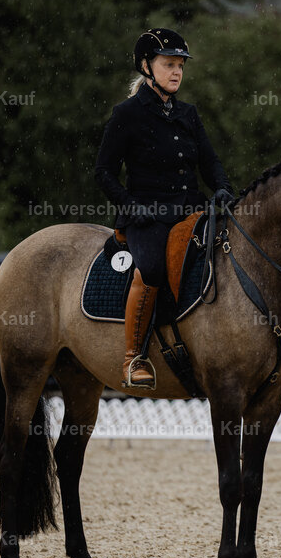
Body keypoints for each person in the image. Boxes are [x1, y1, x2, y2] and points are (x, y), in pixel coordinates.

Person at [95, 28, 233, 388]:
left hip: (191, 211)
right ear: (146, 66)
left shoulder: (188, 113)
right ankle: (133, 358)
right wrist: (130, 205)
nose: (176, 72)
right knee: (153, 269)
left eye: (180, 66)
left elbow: (210, 161)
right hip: (147, 215)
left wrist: (221, 188)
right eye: (168, 64)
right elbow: (104, 172)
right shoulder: (127, 114)